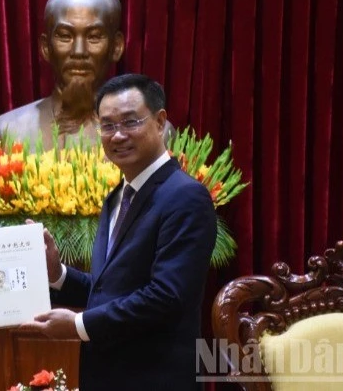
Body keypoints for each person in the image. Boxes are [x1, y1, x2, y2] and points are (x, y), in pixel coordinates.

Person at [23, 74, 217, 390]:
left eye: (130, 122)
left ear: (160, 122)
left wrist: (78, 324)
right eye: (108, 125)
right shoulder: (117, 196)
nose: (118, 135)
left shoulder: (185, 196)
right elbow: (111, 290)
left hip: (156, 379)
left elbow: (166, 297)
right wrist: (57, 274)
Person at [0, 0, 125, 150]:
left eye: (94, 37)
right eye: (65, 36)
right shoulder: (6, 132)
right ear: (46, 47)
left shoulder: (144, 134)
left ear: (116, 47)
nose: (79, 51)